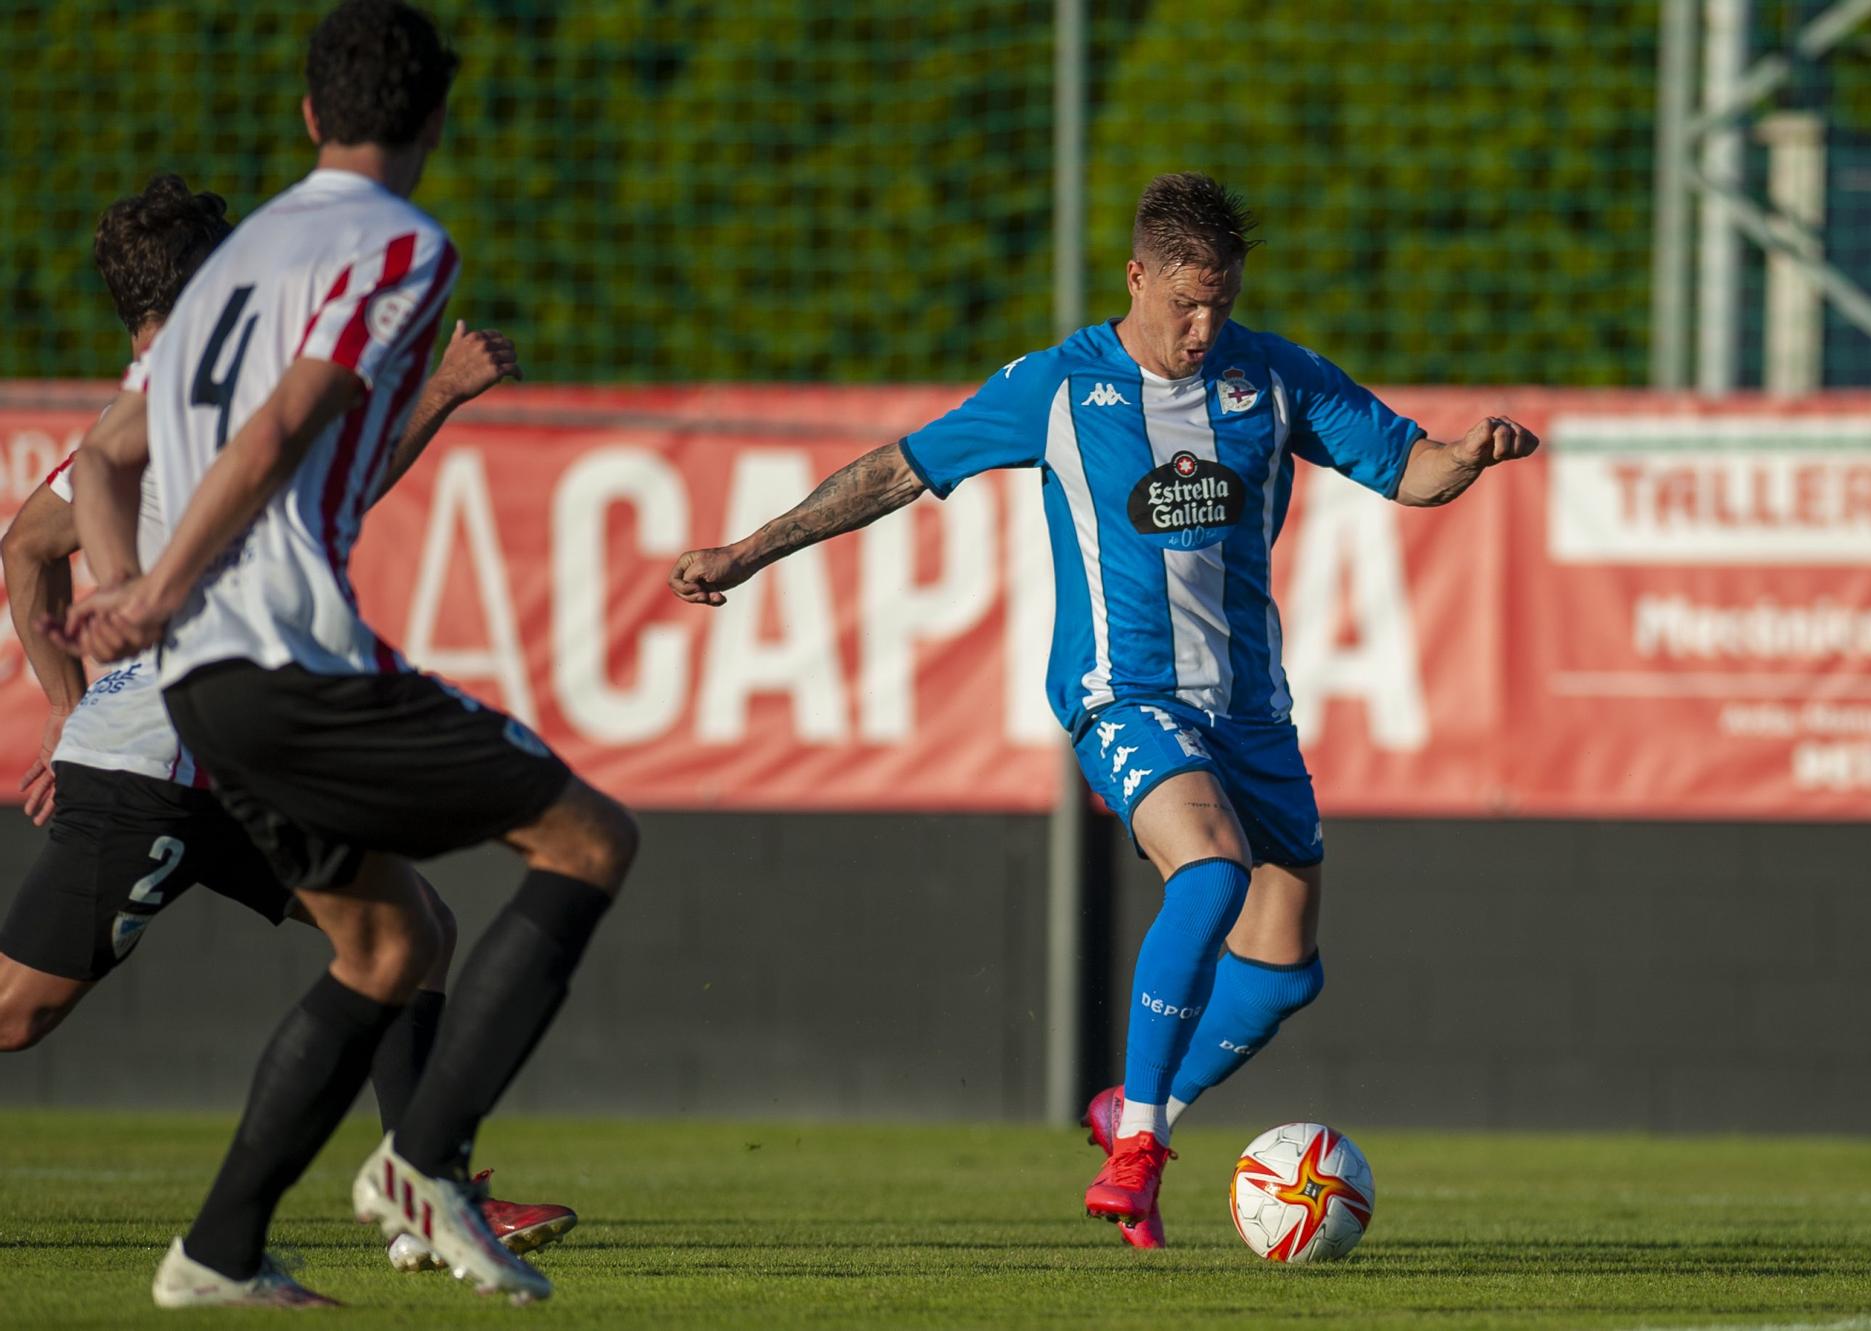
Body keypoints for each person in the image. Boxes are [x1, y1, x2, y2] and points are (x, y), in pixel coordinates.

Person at [669, 171, 1538, 1249]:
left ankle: (1140, 1110)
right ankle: (1135, 1149)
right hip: (1121, 694)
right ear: (1135, 276)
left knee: (1283, 965)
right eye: (1183, 302)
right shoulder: (1057, 385)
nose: (1201, 325)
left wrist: (1467, 456)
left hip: (1250, 710)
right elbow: (896, 471)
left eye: (1219, 302)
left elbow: (1407, 468)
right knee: (1211, 869)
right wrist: (748, 553)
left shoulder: (1271, 377)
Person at [56, 1, 637, 1308]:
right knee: (590, 840)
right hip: (283, 655)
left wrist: (134, 596)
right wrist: (151, 589)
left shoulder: (232, 261)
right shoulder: (402, 244)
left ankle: (216, 1247)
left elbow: (104, 448)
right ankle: (424, 1160)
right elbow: (278, 436)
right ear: (435, 119)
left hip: (206, 690)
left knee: (384, 944)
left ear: (312, 113)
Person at [0, 173, 574, 1275]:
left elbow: (29, 542)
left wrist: (68, 711)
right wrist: (443, 390)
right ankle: (399, 1195)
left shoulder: (154, 399)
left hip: (219, 753)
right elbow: (325, 499)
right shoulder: (207, 396)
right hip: (163, 763)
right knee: (19, 1014)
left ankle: (429, 1188)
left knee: (413, 931)